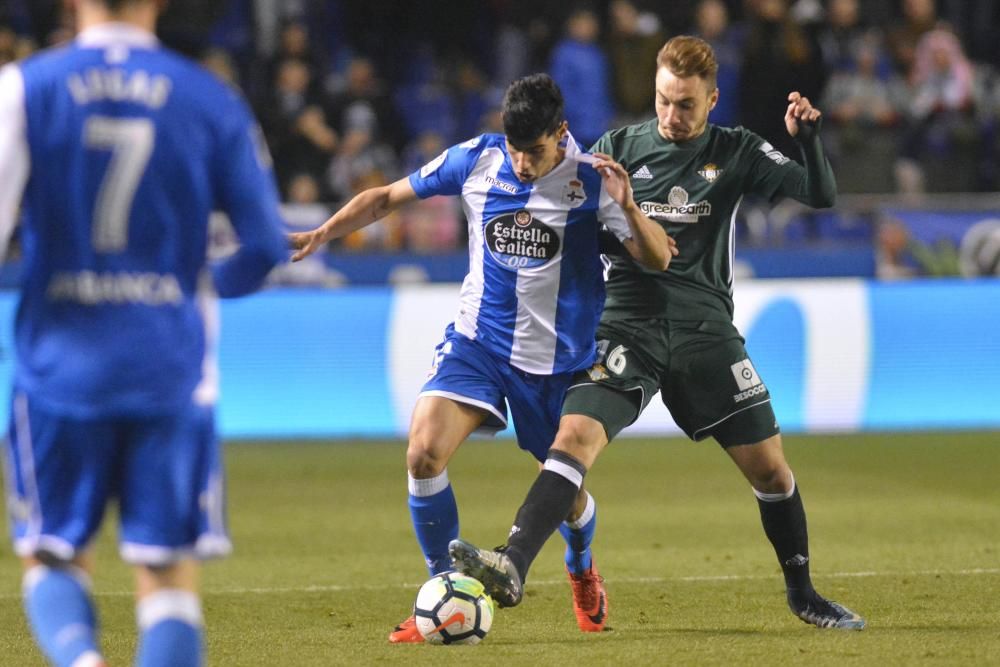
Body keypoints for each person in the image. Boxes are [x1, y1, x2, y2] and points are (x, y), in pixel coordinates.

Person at [449, 35, 867, 631]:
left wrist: (809, 142)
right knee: (572, 439)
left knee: (772, 472)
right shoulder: (620, 147)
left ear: (713, 100)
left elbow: (820, 195)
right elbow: (572, 226)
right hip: (626, 325)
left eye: (687, 105)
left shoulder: (737, 149)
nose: (672, 115)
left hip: (705, 332)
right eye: (664, 101)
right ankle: (512, 563)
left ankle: (803, 593)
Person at [289, 73, 675, 641]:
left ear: (560, 133)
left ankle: (581, 566)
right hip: (479, 345)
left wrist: (631, 208)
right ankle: (445, 592)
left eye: (535, 151)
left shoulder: (593, 182)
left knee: (568, 500)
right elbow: (387, 198)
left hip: (556, 366)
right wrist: (323, 232)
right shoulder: (477, 159)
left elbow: (658, 256)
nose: (521, 163)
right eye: (515, 148)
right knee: (423, 451)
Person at [0, 1, 288, 665]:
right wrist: (205, 281)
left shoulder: (26, 87)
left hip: (58, 368)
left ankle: (82, 658)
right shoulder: (211, 99)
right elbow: (268, 244)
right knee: (166, 578)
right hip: (169, 366)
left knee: (52, 552)